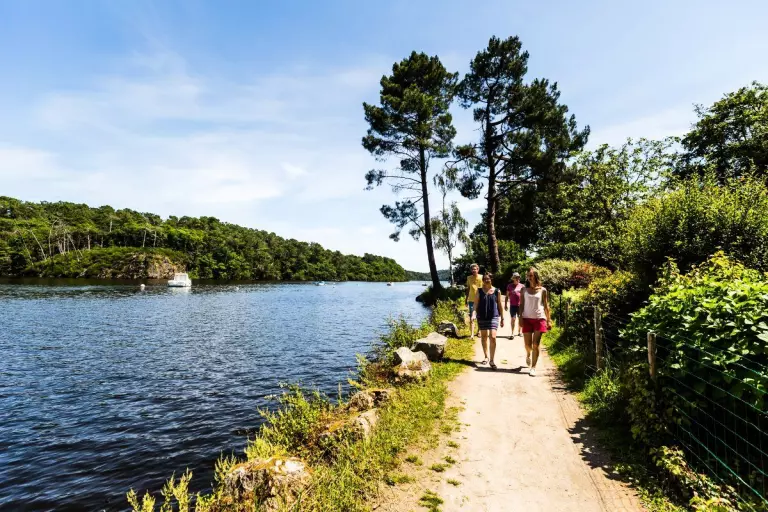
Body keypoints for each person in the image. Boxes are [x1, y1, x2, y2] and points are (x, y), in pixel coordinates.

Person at [519, 267, 552, 377]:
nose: (529, 277)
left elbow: (546, 306)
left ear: (536, 276)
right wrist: (520, 317)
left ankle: (533, 367)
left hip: (540, 318)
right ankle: (528, 353)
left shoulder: (543, 290)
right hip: (527, 319)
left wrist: (549, 320)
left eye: (531, 275)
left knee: (535, 344)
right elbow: (521, 305)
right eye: (527, 275)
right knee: (528, 345)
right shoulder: (523, 290)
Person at [474, 273, 505, 369]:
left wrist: (502, 318)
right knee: (484, 337)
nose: (486, 280)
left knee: (493, 337)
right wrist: (473, 314)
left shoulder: (497, 291)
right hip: (482, 316)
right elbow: (475, 304)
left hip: (493, 316)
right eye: (484, 279)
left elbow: (499, 304)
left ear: (491, 279)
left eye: (488, 279)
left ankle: (492, 360)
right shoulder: (479, 291)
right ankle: (486, 357)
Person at [465, 263, 483, 339]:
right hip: (471, 300)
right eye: (472, 269)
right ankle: (472, 334)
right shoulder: (469, 278)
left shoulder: (482, 277)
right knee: (472, 317)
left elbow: (484, 288)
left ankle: (479, 331)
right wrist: (466, 299)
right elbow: (468, 289)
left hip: (480, 300)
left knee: (479, 316)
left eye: (475, 269)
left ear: (478, 269)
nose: (474, 270)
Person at [504, 272, 524, 338]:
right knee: (513, 319)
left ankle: (519, 332)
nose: (518, 279)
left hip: (520, 305)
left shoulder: (522, 286)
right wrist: (505, 304)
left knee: (520, 318)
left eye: (518, 278)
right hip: (512, 305)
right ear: (513, 279)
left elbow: (524, 296)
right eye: (516, 278)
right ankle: (512, 333)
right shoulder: (509, 286)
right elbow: (507, 296)